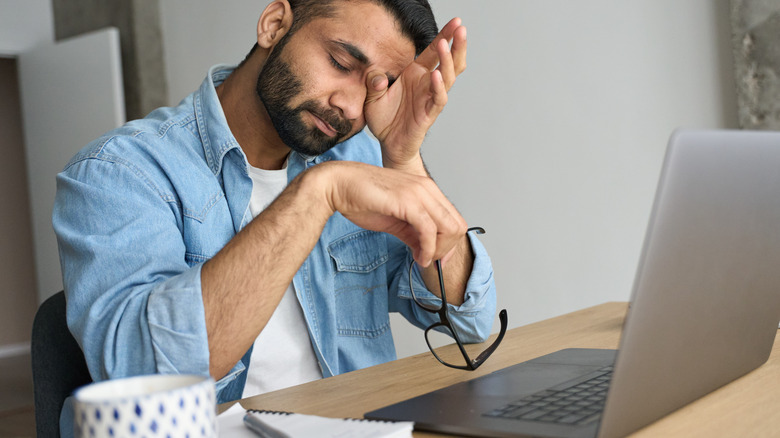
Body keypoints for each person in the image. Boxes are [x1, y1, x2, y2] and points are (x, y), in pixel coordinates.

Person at [53, 0, 497, 434]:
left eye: (376, 85)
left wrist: (403, 157)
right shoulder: (119, 173)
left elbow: (466, 319)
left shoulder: (357, 158)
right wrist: (316, 195)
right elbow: (144, 376)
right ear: (274, 24)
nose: (351, 106)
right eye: (341, 62)